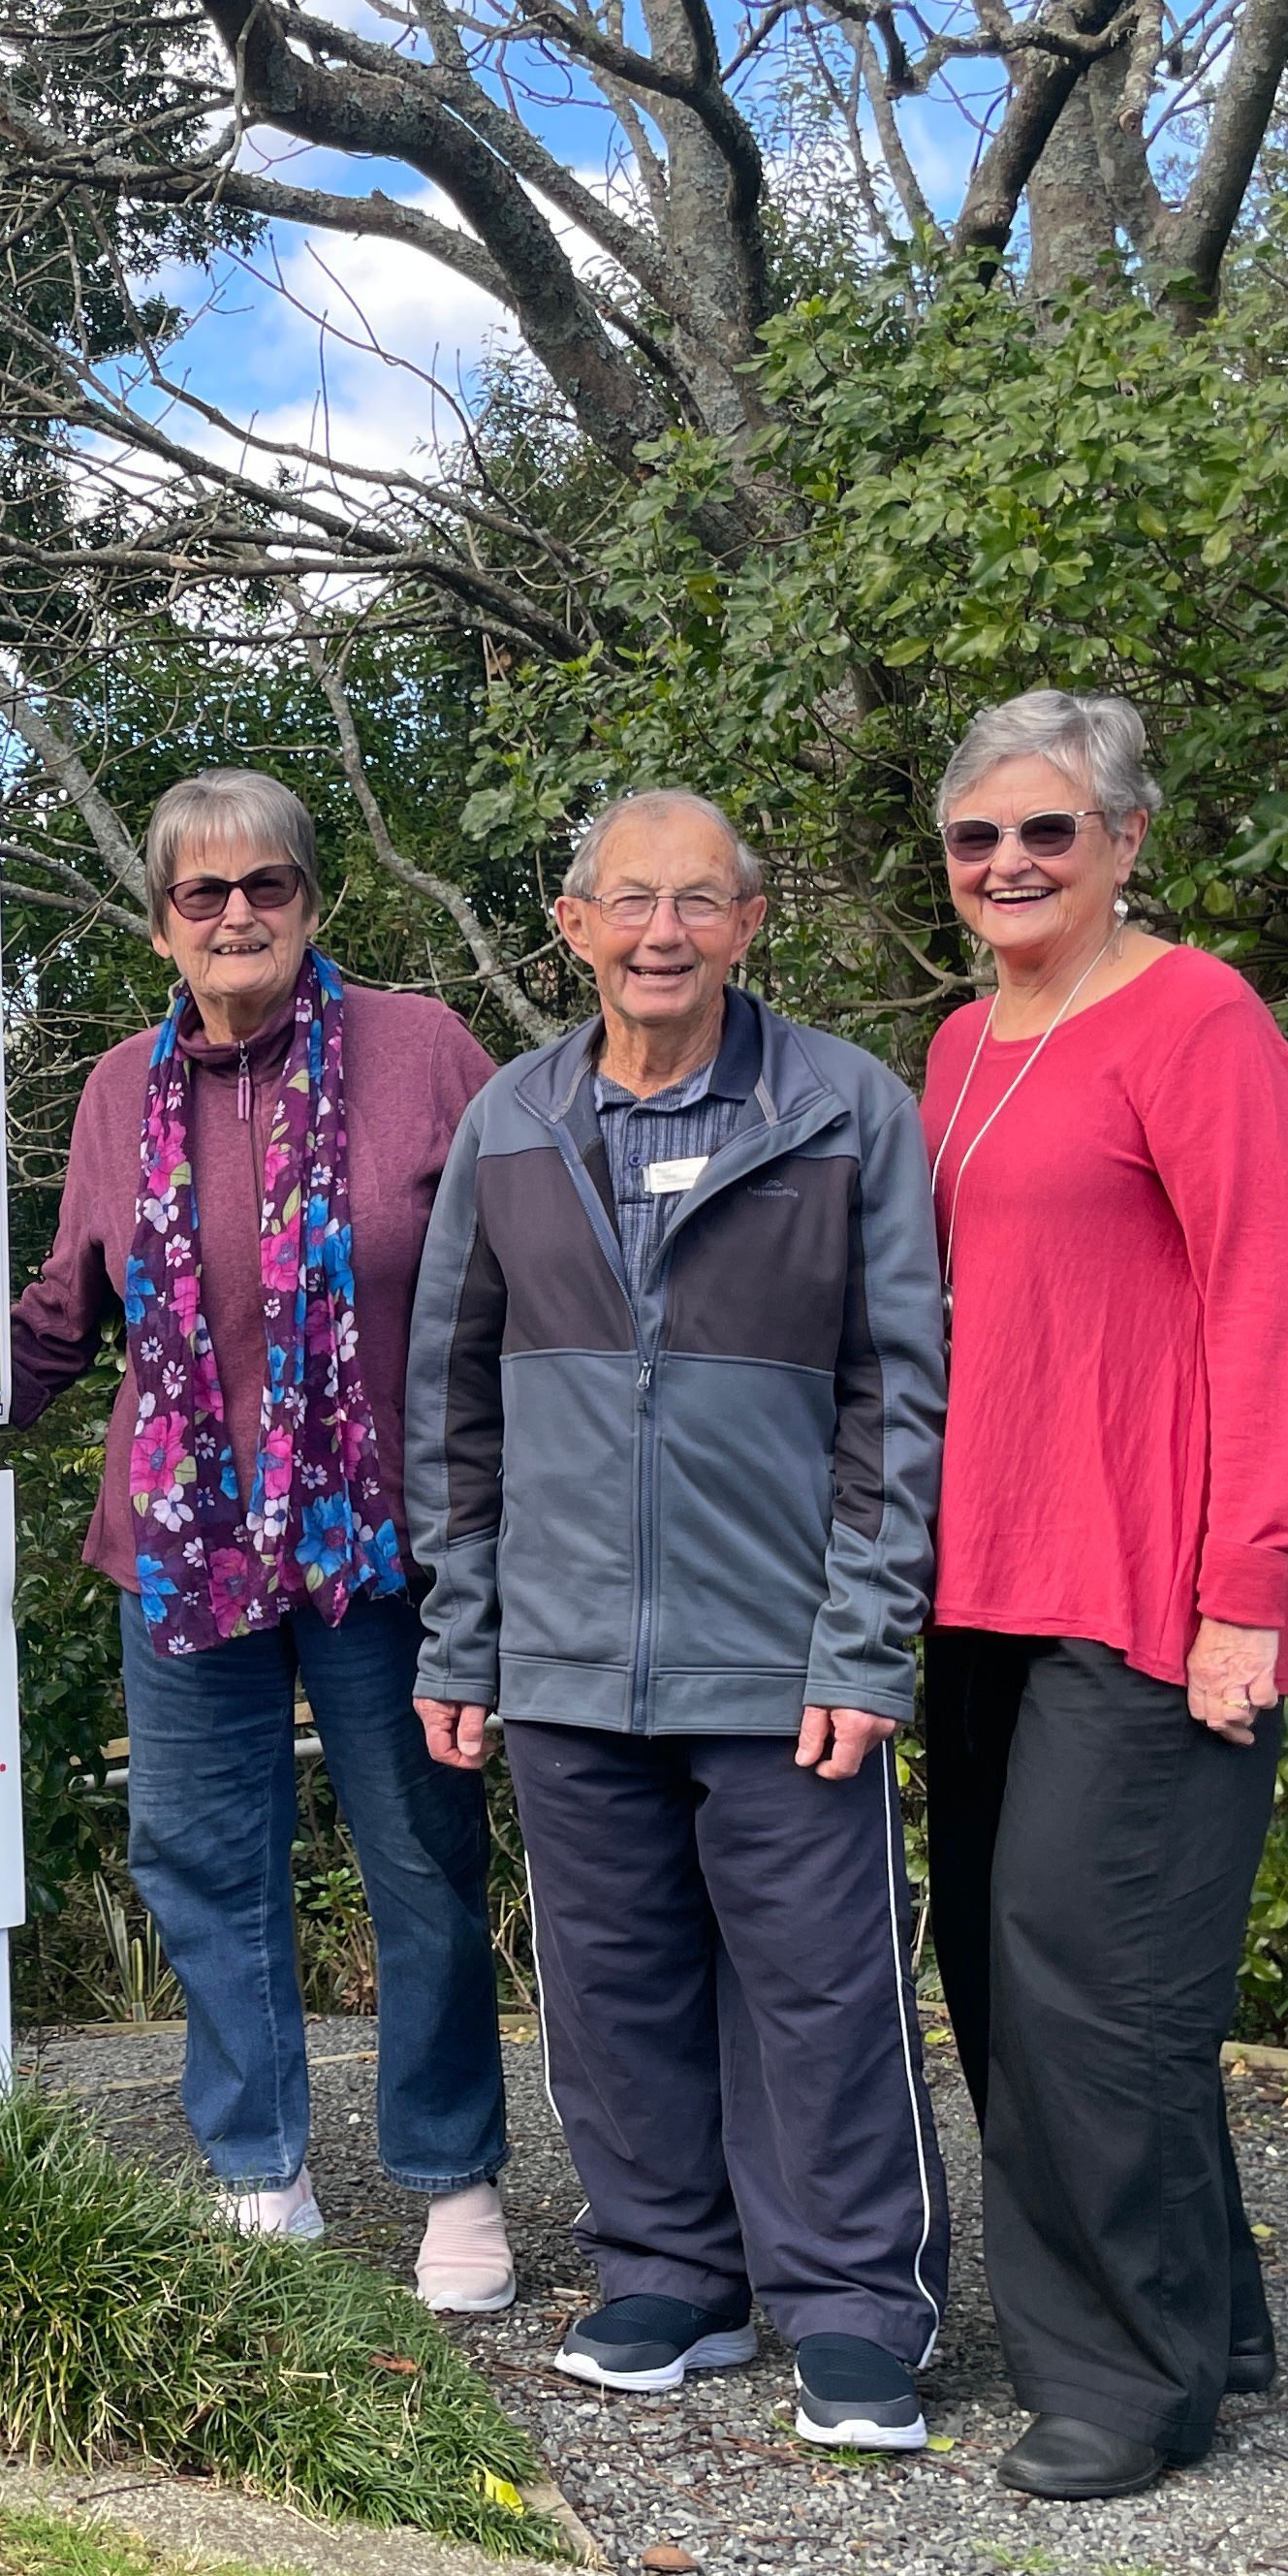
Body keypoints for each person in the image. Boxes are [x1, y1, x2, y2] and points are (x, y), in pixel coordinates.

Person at [0, 771, 517, 2310]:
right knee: (202, 1860)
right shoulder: (122, 1087)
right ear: (165, 921)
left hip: (387, 1549)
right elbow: (70, 1299)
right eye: (204, 895)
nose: (236, 916)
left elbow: (530, 1269)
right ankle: (261, 2167)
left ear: (312, 902)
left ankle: (452, 2174)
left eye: (267, 888)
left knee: (422, 1857)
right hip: (187, 1547)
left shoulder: (424, 1052)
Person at [407, 791, 952, 2451]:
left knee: (828, 1992)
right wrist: (463, 1636)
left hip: (784, 1660)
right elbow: (451, 1405)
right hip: (568, 1657)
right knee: (609, 1982)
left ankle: (858, 2304)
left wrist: (866, 1642)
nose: (663, 934)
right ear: (571, 927)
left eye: (698, 903)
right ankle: (669, 2272)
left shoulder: (846, 1111)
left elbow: (897, 1398)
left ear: (750, 921)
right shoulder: (510, 1121)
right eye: (630, 903)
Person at [915, 689, 1288, 2500]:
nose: (1008, 865)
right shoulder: (959, 1042)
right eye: (976, 839)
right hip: (982, 1577)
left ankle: (1119, 2382)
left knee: (1094, 1980)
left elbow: (1270, 1302)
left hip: (1157, 1581)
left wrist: (1250, 1581)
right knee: (1006, 1976)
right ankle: (1211, 2316)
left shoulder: (1198, 1018)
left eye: (1047, 834)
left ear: (1126, 845)